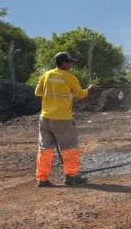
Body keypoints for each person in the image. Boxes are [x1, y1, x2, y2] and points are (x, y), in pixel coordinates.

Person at [34, 52, 99, 187]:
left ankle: (42, 178)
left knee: (44, 149)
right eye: (69, 62)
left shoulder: (46, 75)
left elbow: (37, 93)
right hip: (62, 119)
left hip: (45, 118)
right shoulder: (69, 77)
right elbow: (81, 94)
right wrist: (90, 89)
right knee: (69, 147)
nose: (71, 64)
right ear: (63, 63)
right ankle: (71, 175)